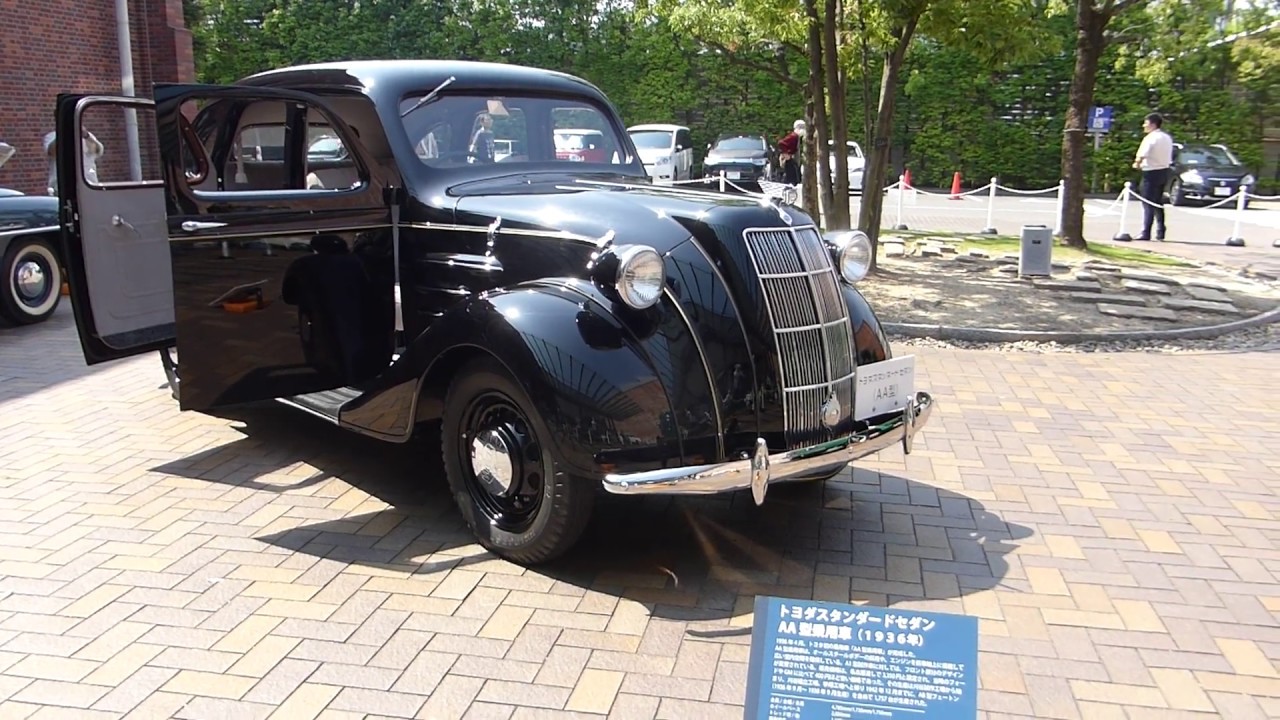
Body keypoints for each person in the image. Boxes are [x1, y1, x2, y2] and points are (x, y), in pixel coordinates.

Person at [1132, 112, 1173, 241]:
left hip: (1151, 171)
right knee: (1158, 202)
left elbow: (1142, 153)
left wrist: (1137, 163)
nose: (1144, 125)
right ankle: (1161, 230)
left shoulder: (1150, 138)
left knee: (1148, 202)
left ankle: (1146, 231)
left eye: (1146, 123)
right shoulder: (1166, 137)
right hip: (1164, 170)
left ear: (1153, 124)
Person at [44, 128, 104, 195]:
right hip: (61, 187)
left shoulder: (88, 136)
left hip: (89, 185)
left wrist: (86, 136)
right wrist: (63, 134)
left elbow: (97, 150)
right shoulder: (52, 136)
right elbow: (52, 152)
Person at [777, 119, 804, 186]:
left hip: (793, 159)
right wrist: (786, 154)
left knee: (794, 176)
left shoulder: (796, 137)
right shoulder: (793, 136)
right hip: (790, 160)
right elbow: (781, 143)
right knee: (792, 177)